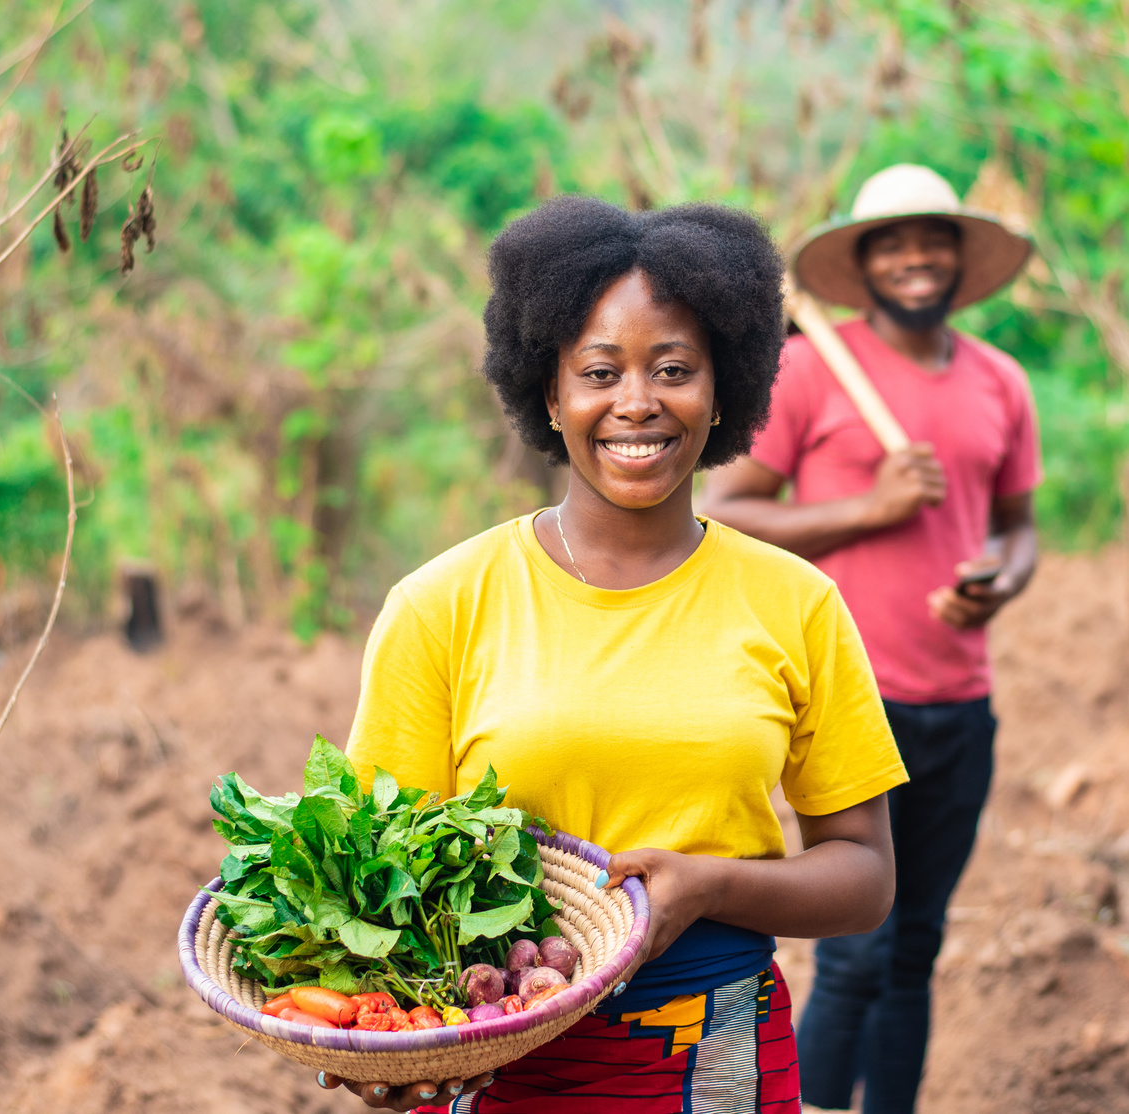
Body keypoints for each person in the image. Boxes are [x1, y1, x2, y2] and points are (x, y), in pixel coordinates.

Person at [320, 196, 909, 1113]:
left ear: (724, 390)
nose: (637, 402)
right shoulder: (442, 605)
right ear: (548, 393)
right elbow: (372, 881)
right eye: (599, 372)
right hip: (491, 1052)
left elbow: (865, 878)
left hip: (713, 1057)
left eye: (674, 368)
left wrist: (712, 885)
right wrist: (380, 1041)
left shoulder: (796, 603)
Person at [700, 164, 1042, 1114]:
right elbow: (721, 511)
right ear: (861, 262)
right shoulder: (810, 370)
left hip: (960, 704)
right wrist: (870, 507)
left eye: (931, 238)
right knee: (855, 958)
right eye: (890, 242)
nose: (914, 258)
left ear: (960, 257)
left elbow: (1018, 526)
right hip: (852, 705)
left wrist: (1000, 582)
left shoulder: (999, 382)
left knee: (917, 948)